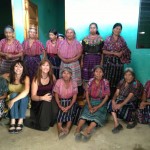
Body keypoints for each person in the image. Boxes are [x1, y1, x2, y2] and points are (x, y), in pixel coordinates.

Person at [75, 66, 110, 140]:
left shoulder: (105, 82)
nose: (98, 73)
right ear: (94, 73)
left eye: (100, 72)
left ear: (103, 73)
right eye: (96, 71)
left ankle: (87, 130)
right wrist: (89, 105)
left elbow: (106, 97)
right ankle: (78, 129)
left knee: (97, 115)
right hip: (91, 101)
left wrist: (98, 107)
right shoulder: (91, 81)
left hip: (101, 102)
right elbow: (87, 93)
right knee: (85, 113)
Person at [24, 59, 58, 131]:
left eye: (47, 65)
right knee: (46, 101)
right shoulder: (36, 79)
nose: (46, 67)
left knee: (54, 109)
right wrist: (42, 98)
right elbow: (33, 97)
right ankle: (43, 124)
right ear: (40, 67)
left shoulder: (52, 76)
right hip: (38, 101)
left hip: (48, 98)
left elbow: (56, 89)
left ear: (50, 67)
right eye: (43, 65)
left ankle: (48, 121)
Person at [107, 68, 143, 133]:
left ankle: (132, 120)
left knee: (123, 108)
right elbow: (116, 93)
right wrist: (113, 101)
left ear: (133, 76)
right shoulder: (122, 81)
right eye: (126, 75)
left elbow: (129, 97)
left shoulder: (135, 83)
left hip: (132, 102)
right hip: (121, 99)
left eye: (130, 75)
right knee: (110, 103)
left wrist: (120, 105)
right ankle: (116, 124)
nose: (127, 77)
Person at [103, 23, 131, 97]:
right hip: (109, 63)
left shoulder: (122, 40)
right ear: (113, 29)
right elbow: (103, 51)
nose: (118, 30)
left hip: (119, 63)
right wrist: (114, 53)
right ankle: (107, 96)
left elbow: (126, 49)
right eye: (116, 28)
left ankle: (115, 96)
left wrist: (121, 52)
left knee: (118, 78)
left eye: (119, 29)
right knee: (108, 78)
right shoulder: (108, 39)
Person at [53, 67, 78, 138]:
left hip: (71, 102)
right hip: (60, 101)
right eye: (64, 73)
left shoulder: (74, 82)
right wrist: (60, 105)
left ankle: (67, 128)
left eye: (68, 73)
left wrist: (69, 106)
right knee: (60, 114)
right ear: (62, 74)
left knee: (70, 113)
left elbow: (74, 96)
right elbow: (56, 95)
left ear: (71, 74)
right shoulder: (58, 81)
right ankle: (60, 130)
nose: (66, 75)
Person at [7, 60, 30, 133]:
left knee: (24, 97)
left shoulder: (26, 78)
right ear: (13, 68)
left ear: (23, 68)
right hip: (11, 98)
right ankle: (13, 121)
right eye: (16, 66)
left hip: (23, 99)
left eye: (20, 67)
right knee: (13, 94)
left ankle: (20, 120)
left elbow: (26, 91)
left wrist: (12, 101)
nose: (18, 68)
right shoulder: (8, 75)